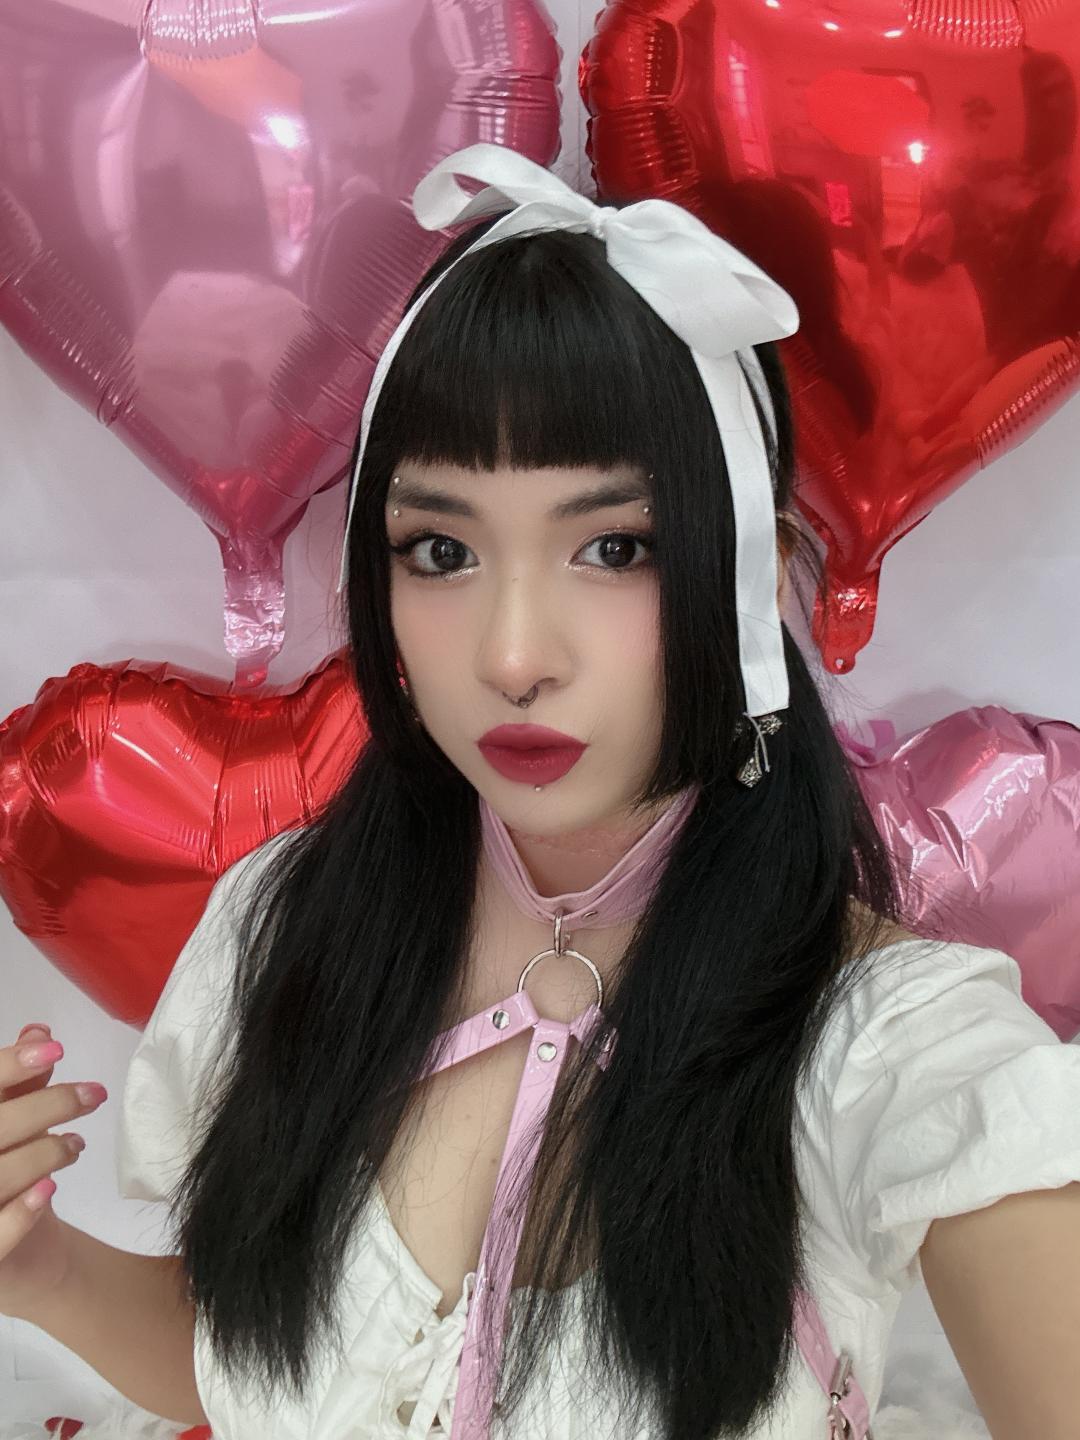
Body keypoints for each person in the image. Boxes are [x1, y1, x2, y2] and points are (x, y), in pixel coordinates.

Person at [3, 144, 1080, 1440]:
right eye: (440, 549)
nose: (514, 655)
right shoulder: (279, 929)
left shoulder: (887, 1046)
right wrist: (38, 1266)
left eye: (614, 546)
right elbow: (253, 1364)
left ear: (754, 582)